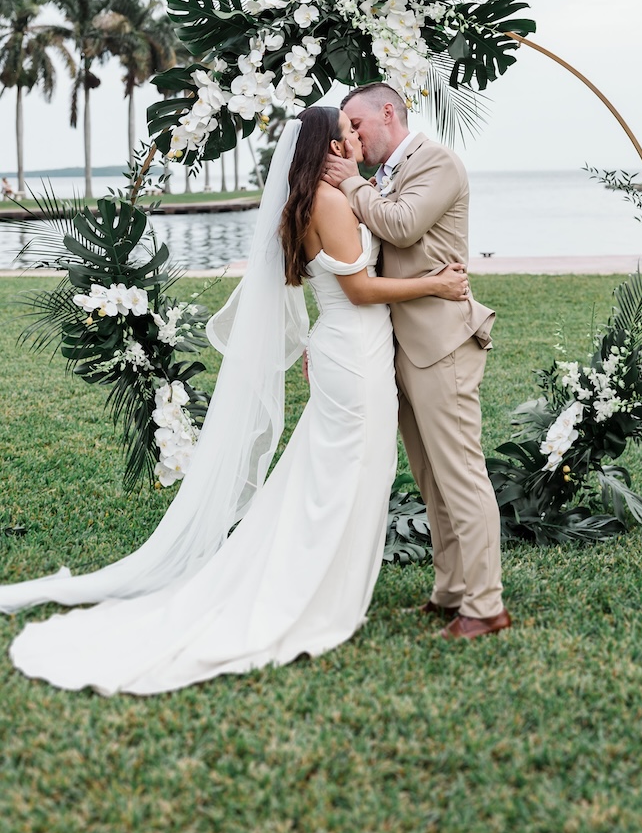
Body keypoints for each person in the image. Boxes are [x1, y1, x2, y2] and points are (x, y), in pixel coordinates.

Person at [0, 108, 468, 694]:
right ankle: (314, 593)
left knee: (330, 474)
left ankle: (323, 581)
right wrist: (436, 284)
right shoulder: (327, 205)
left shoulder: (316, 201)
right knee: (347, 476)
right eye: (344, 134)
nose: (354, 141)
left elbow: (326, 278)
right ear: (322, 148)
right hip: (355, 350)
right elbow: (359, 288)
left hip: (347, 346)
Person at [323, 83, 511, 641]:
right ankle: (450, 590)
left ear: (389, 112)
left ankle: (486, 605)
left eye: (357, 125)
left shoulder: (438, 163)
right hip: (398, 346)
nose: (352, 137)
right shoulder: (378, 176)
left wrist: (352, 183)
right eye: (346, 130)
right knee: (431, 480)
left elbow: (401, 225)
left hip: (443, 343)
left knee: (461, 477)